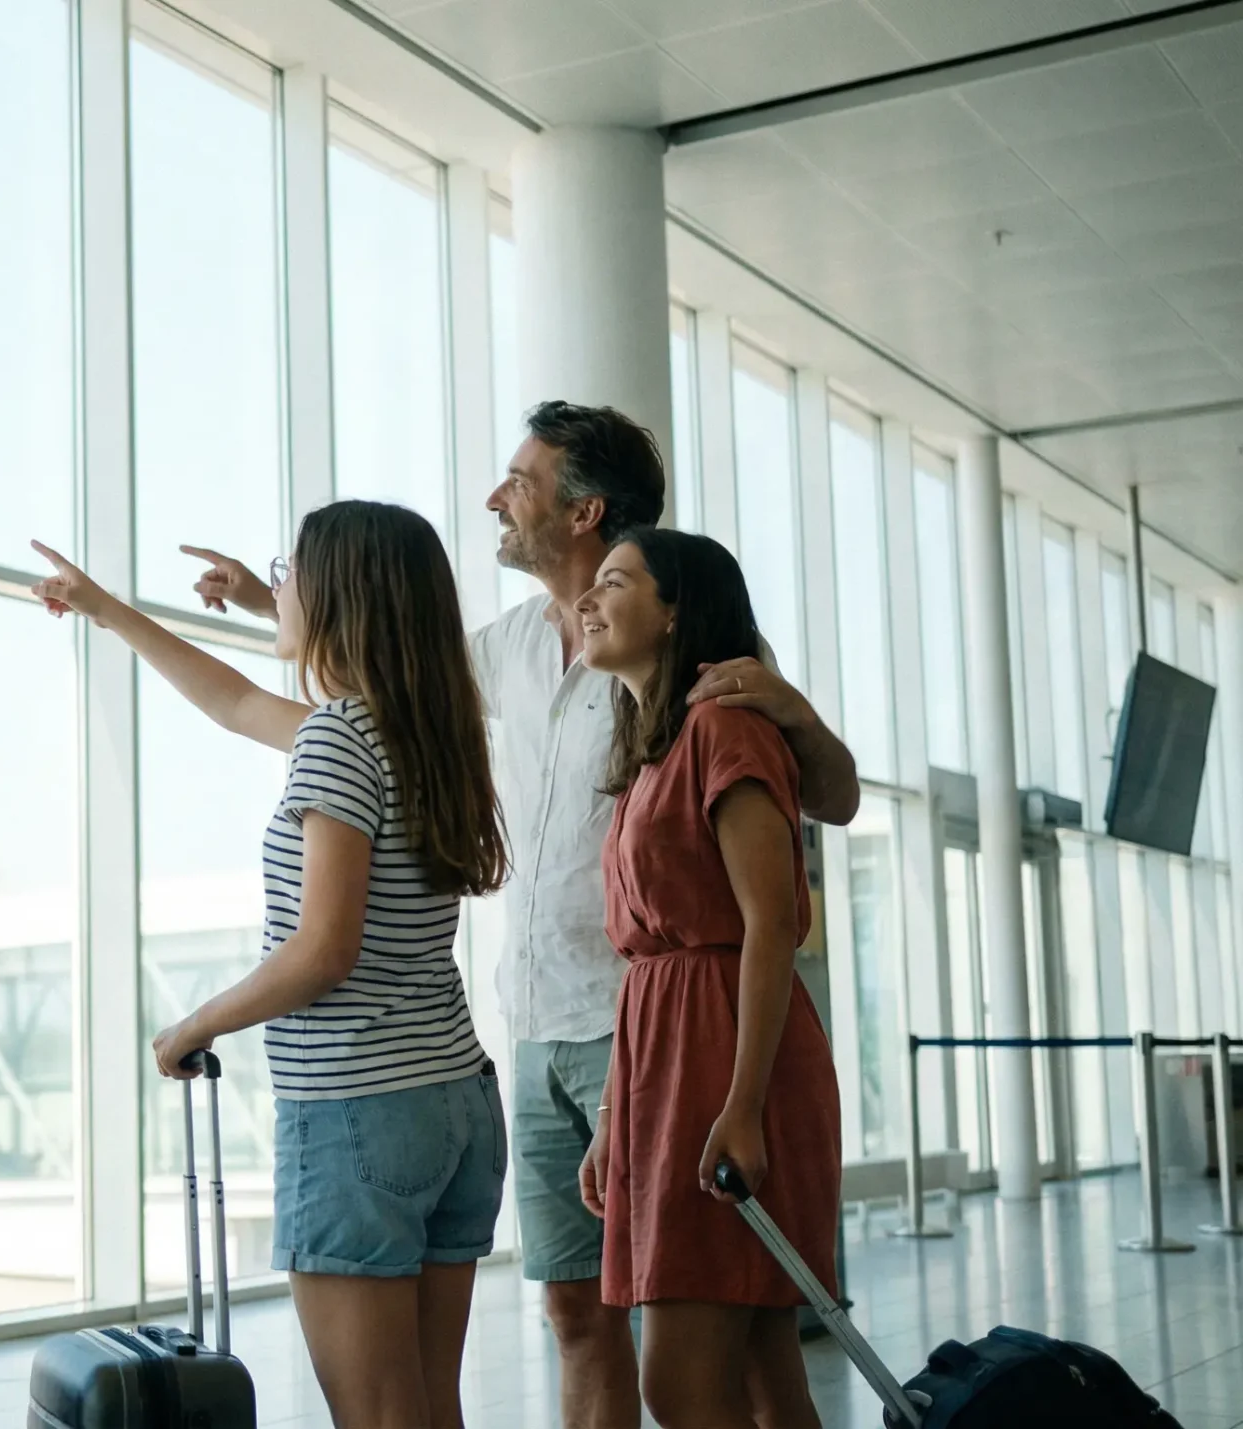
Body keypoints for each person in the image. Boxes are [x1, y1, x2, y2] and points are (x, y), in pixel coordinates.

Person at [182, 400, 858, 1429]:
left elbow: (817, 810)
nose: (497, 496)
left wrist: (798, 712)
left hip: (652, 1024)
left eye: (521, 480)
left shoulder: (690, 660)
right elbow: (383, 652)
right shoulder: (508, 645)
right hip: (537, 1029)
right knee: (574, 1315)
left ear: (586, 513)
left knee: (732, 1336)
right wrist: (266, 602)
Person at [32, 500, 509, 1429]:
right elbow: (232, 699)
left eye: (290, 570)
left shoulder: (337, 738)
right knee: (427, 1409)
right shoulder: (421, 734)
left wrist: (195, 1022)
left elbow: (322, 948)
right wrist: (109, 609)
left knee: (377, 1417)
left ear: (340, 597)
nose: (275, 583)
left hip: (358, 1113)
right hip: (452, 1098)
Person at [573, 528, 838, 1429]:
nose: (587, 598)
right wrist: (616, 1118)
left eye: (615, 581)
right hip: (670, 1056)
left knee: (680, 1385)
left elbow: (772, 925)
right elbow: (641, 965)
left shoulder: (723, 728)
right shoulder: (651, 754)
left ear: (676, 607)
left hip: (727, 1054)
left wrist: (745, 1102)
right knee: (766, 1377)